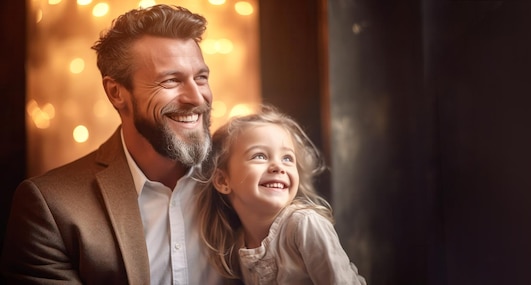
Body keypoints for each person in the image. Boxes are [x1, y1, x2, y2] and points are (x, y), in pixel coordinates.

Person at [1, 4, 226, 285]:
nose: (196, 97)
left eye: (201, 78)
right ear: (116, 92)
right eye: (171, 81)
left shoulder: (246, 177)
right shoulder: (50, 206)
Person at [197, 104, 367, 284]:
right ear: (223, 181)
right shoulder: (239, 244)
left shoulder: (305, 225)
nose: (278, 167)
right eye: (260, 156)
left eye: (287, 158)